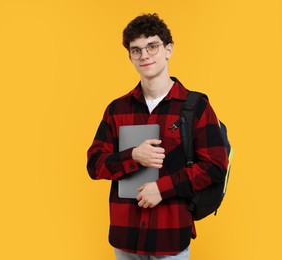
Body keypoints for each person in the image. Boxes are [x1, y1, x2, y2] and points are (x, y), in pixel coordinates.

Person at [87, 13, 228, 259]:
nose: (145, 55)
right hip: (125, 237)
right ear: (130, 57)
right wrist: (134, 156)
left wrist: (162, 189)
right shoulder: (117, 109)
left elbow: (215, 166)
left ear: (168, 49)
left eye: (152, 46)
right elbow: (94, 165)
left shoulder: (195, 106)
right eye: (136, 50)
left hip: (170, 237)